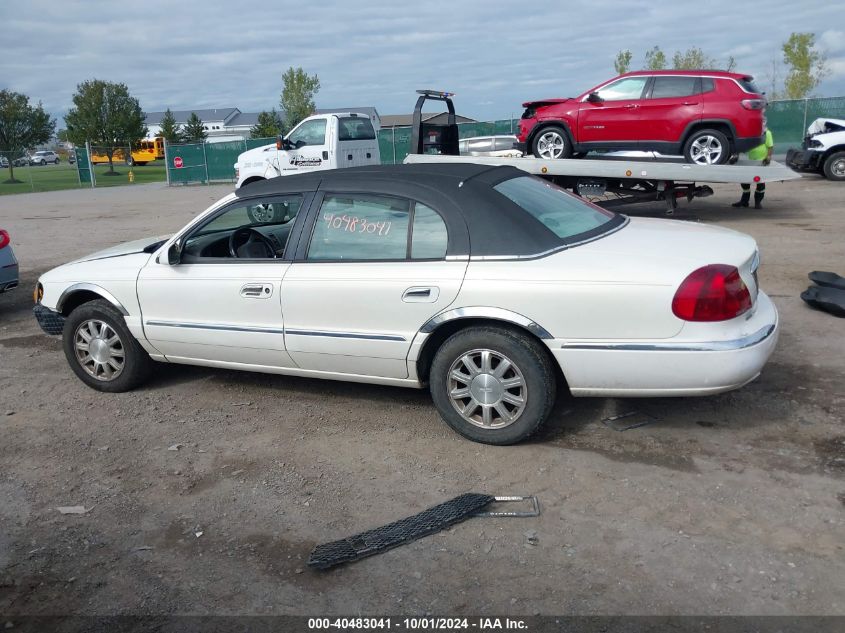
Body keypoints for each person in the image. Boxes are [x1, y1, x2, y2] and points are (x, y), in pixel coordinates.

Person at [732, 128, 774, 209]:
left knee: (760, 184)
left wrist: (768, 157)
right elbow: (742, 144)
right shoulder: (749, 131)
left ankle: (758, 203)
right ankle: (744, 201)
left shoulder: (767, 133)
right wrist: (736, 155)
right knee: (745, 182)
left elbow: (770, 146)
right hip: (749, 161)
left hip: (761, 162)